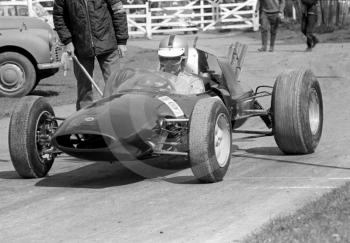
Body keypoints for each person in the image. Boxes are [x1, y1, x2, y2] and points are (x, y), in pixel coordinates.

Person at [53, 0, 129, 110]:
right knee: (84, 88)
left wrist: (121, 41)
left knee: (114, 85)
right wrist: (67, 41)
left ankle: (116, 114)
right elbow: (58, 16)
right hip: (80, 46)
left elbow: (119, 12)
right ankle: (85, 119)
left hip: (108, 44)